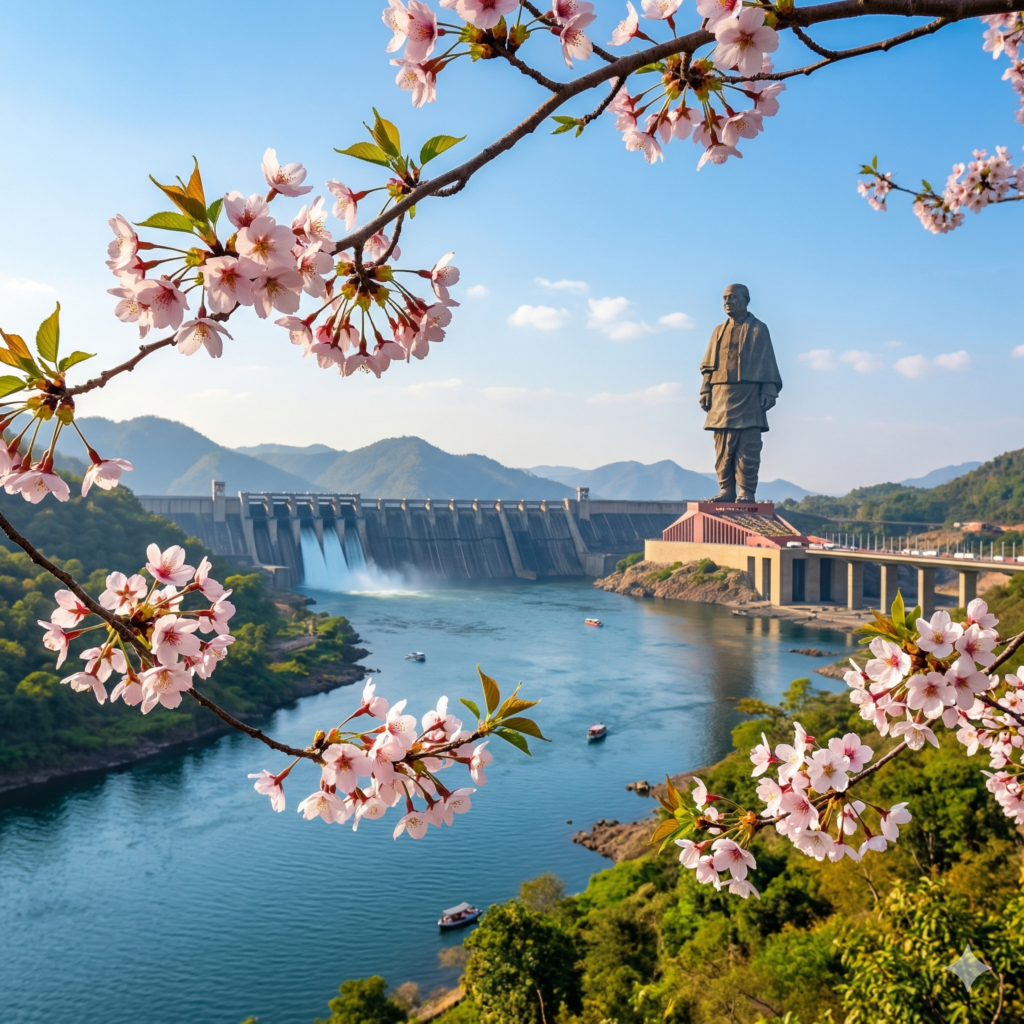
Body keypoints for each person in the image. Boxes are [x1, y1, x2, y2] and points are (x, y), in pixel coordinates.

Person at [699, 284, 782, 502]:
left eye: (733, 297)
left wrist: (769, 389)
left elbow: (768, 360)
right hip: (720, 394)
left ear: (746, 300)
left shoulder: (758, 328)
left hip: (749, 393)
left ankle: (746, 491)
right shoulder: (718, 331)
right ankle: (726, 489)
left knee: (748, 444)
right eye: (725, 298)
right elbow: (708, 367)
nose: (728, 301)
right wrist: (705, 389)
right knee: (723, 444)